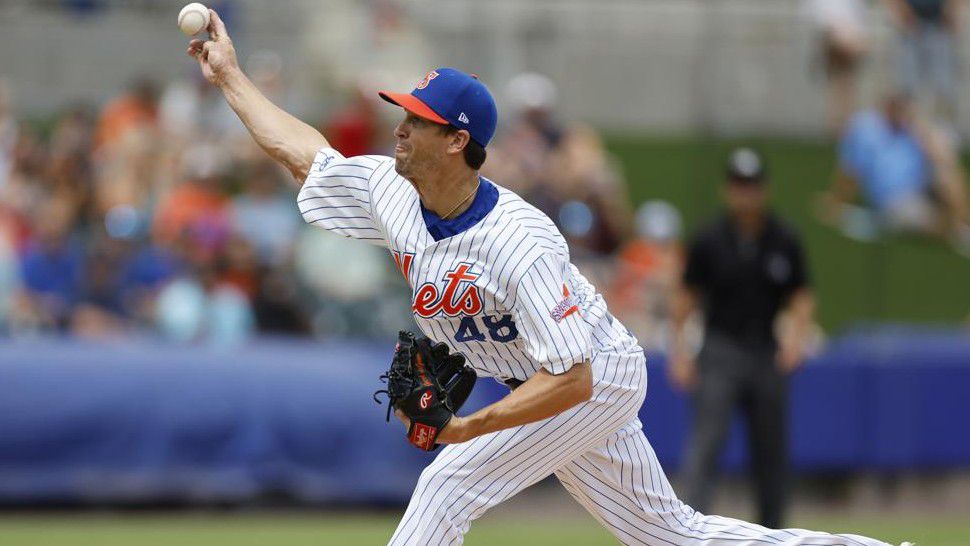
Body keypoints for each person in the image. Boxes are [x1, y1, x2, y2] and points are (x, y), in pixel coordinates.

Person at [185, 10, 909, 546]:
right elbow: (305, 156)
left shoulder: (518, 240)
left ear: (457, 140)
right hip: (544, 379)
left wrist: (469, 426)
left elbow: (575, 379)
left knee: (450, 480)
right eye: (402, 115)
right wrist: (230, 78)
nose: (399, 128)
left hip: (592, 374)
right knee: (670, 535)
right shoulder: (393, 193)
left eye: (416, 121)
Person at [670, 149, 816, 528]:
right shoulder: (709, 238)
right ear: (727, 189)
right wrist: (680, 353)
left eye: (752, 186)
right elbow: (686, 298)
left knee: (771, 450)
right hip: (720, 349)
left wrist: (796, 340)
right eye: (739, 185)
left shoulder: (783, 238)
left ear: (763, 190)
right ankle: (687, 528)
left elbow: (801, 295)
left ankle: (774, 531)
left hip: (765, 350)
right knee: (707, 444)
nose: (745, 194)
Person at [819, 94, 970, 249]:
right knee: (928, 223)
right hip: (895, 199)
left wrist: (920, 128)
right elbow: (852, 170)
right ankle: (951, 228)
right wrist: (837, 201)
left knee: (947, 175)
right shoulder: (866, 131)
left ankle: (963, 225)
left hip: (922, 189)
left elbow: (943, 160)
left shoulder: (915, 131)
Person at [883, 0, 962, 121]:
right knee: (907, 87)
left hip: (940, 25)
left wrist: (952, 11)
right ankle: (910, 129)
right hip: (909, 26)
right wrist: (901, 12)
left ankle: (942, 130)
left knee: (943, 87)